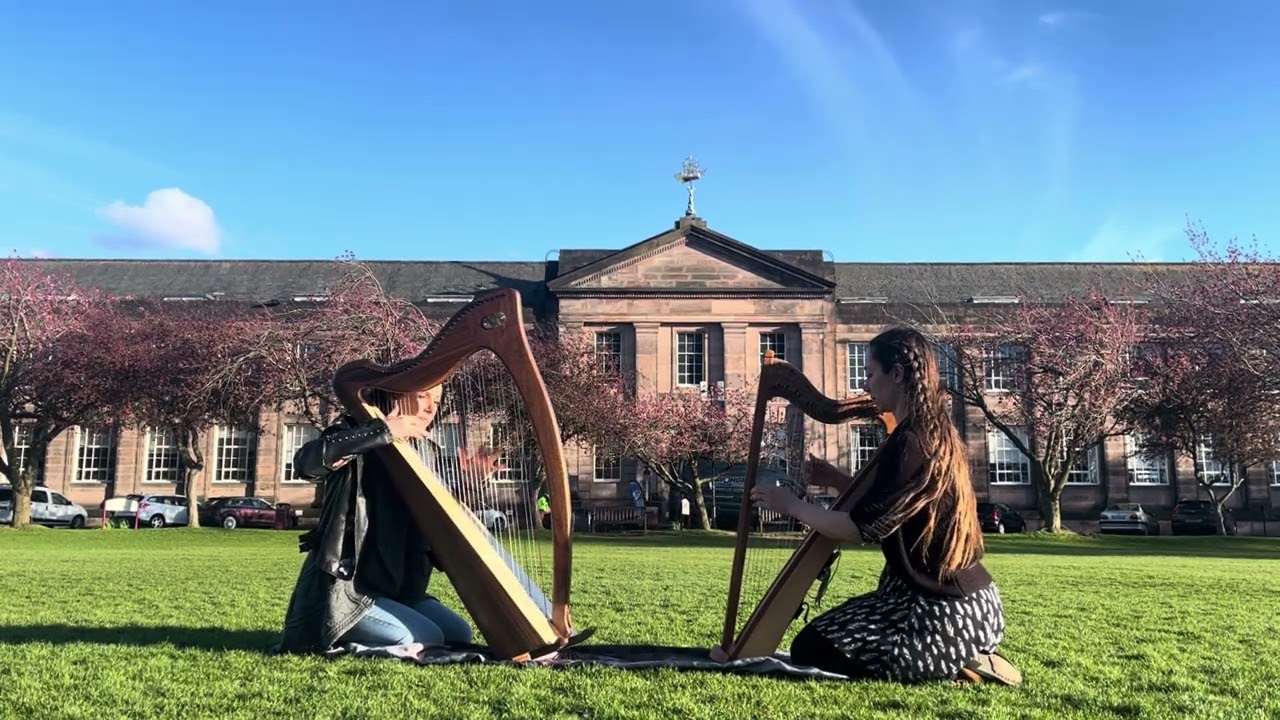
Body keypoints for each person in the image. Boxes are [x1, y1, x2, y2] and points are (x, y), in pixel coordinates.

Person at [751, 326, 1022, 686]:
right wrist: (837, 481)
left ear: (896, 375)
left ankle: (958, 659)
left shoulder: (911, 441)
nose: (865, 385)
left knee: (813, 648)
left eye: (869, 374)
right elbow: (898, 508)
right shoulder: (930, 429)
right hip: (946, 597)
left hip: (944, 608)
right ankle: (957, 654)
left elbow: (860, 528)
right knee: (817, 640)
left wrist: (791, 506)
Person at [277, 383, 501, 654]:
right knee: (428, 634)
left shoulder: (426, 451)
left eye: (437, 399)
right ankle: (340, 639)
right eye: (422, 395)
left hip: (397, 589)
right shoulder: (357, 428)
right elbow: (306, 463)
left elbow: (437, 521)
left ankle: (394, 621)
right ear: (397, 395)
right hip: (348, 592)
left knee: (458, 632)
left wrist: (472, 481)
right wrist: (384, 430)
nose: (431, 407)